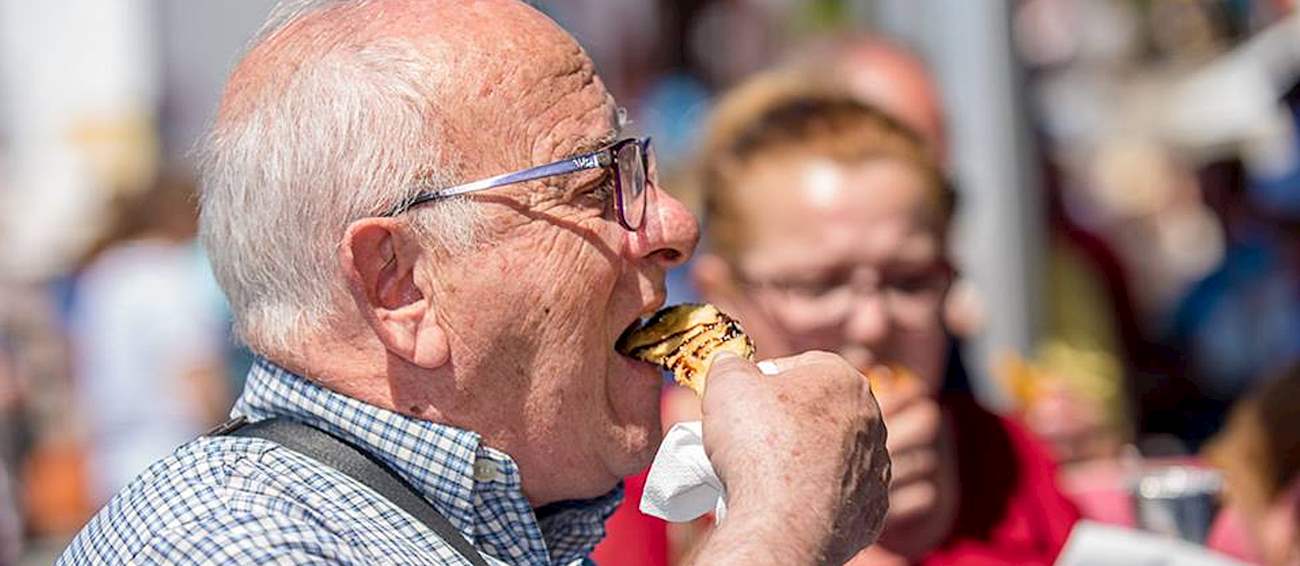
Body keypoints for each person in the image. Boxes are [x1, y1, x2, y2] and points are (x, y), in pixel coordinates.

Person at [58, 1, 891, 565]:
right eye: (594, 186)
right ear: (399, 285)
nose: (673, 224)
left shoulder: (504, 521)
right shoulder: (233, 542)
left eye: (638, 169)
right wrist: (780, 524)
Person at [689, 71, 1079, 565]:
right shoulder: (648, 494)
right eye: (820, 285)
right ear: (723, 297)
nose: (872, 324)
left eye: (910, 281)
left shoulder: (1007, 458)